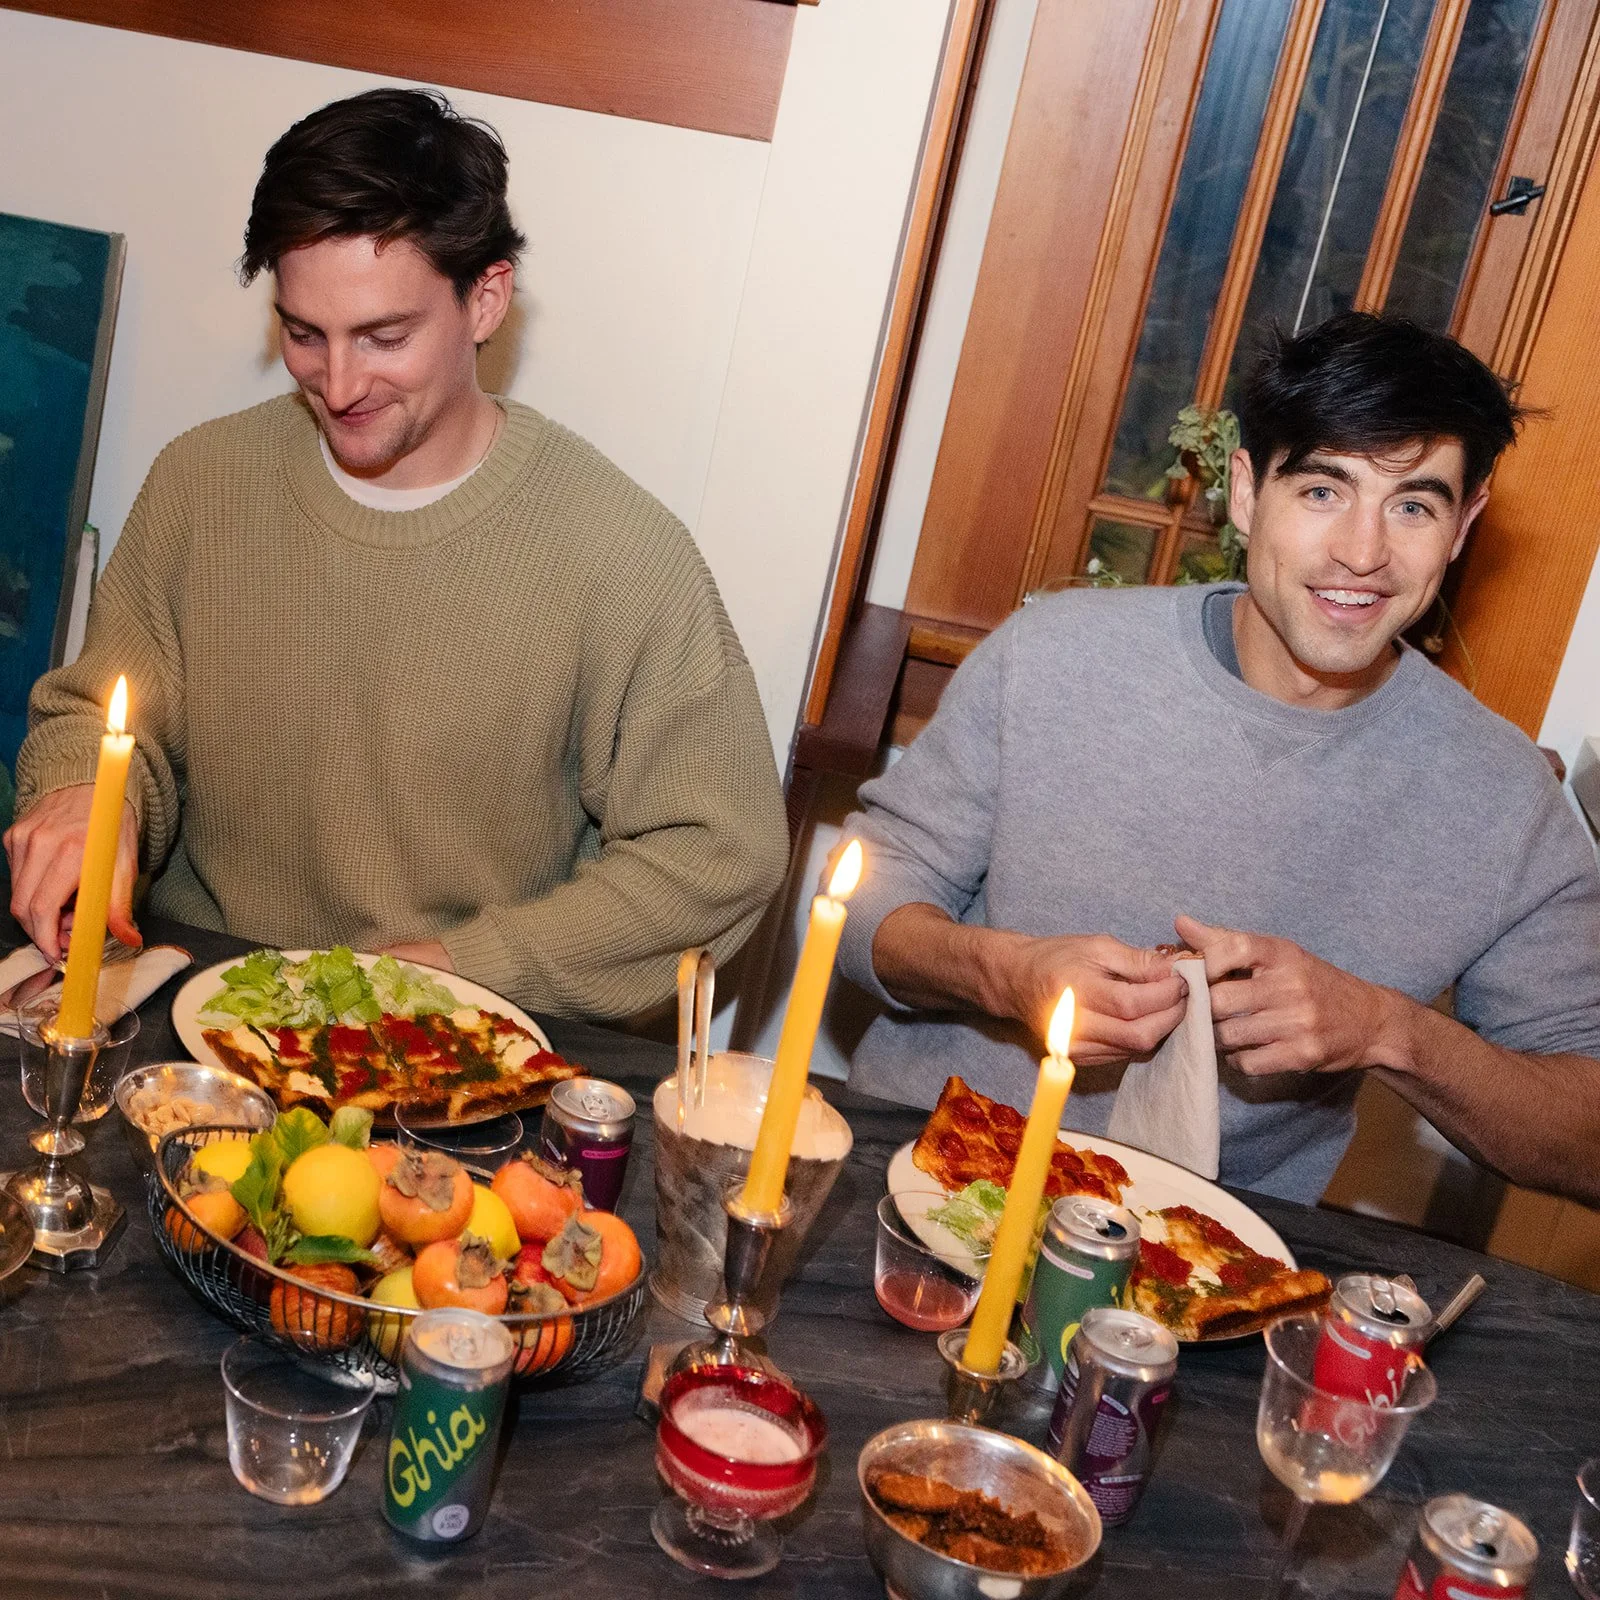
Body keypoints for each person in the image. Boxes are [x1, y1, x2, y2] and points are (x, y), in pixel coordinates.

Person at [6, 88, 788, 1020]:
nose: (338, 385)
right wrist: (88, 794)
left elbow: (721, 851)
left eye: (384, 336)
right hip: (189, 997)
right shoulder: (199, 483)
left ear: (486, 298)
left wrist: (460, 967)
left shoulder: (619, 552)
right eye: (304, 334)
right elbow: (101, 712)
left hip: (447, 1040)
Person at [836, 311, 1600, 1206]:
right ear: (1245, 493)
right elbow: (856, 911)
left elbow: (1587, 1144)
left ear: (1463, 526)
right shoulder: (1055, 652)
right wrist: (1005, 973)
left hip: (1200, 1270)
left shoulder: (1505, 801)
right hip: (922, 1173)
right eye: (1322, 491)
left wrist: (1388, 1030)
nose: (1362, 551)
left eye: (1413, 506)